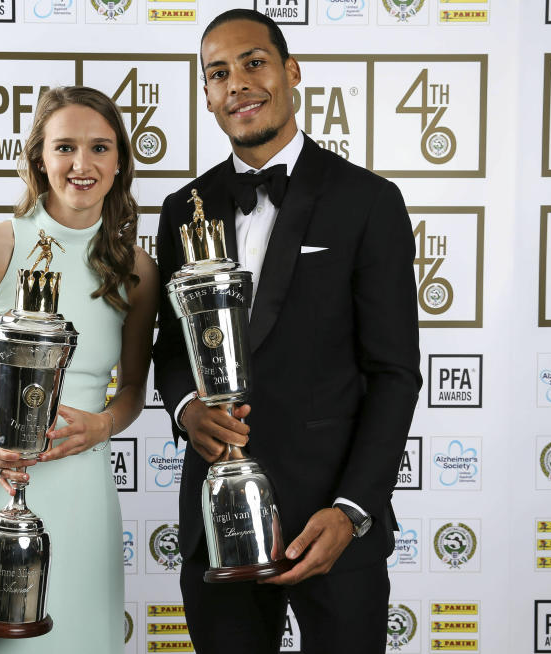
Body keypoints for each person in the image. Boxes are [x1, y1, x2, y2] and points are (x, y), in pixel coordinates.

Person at [152, 9, 422, 653]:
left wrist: (353, 509)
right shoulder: (181, 210)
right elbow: (169, 350)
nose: (238, 84)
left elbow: (394, 373)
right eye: (218, 74)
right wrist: (188, 407)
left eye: (253, 62)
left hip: (332, 522)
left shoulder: (368, 201)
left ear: (291, 72)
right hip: (217, 524)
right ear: (208, 96)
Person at [0, 86, 158, 653]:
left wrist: (103, 425)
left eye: (100, 147)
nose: (83, 164)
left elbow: (133, 392)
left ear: (120, 159)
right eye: (65, 147)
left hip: (83, 491)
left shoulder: (136, 270)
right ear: (37, 160)